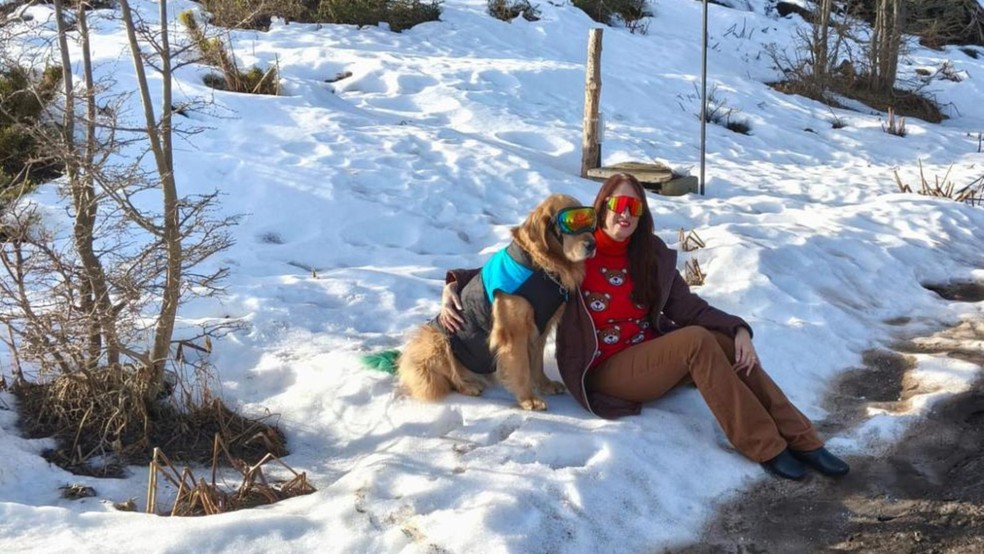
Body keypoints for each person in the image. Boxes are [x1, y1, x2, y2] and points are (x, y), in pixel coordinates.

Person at [439, 173, 849, 480]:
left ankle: (804, 440)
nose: (625, 215)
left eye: (634, 208)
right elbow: (511, 266)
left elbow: (688, 306)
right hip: (603, 370)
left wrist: (739, 329)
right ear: (601, 209)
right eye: (618, 205)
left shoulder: (649, 255)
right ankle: (765, 447)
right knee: (696, 341)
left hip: (650, 357)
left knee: (721, 339)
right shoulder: (575, 253)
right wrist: (454, 284)